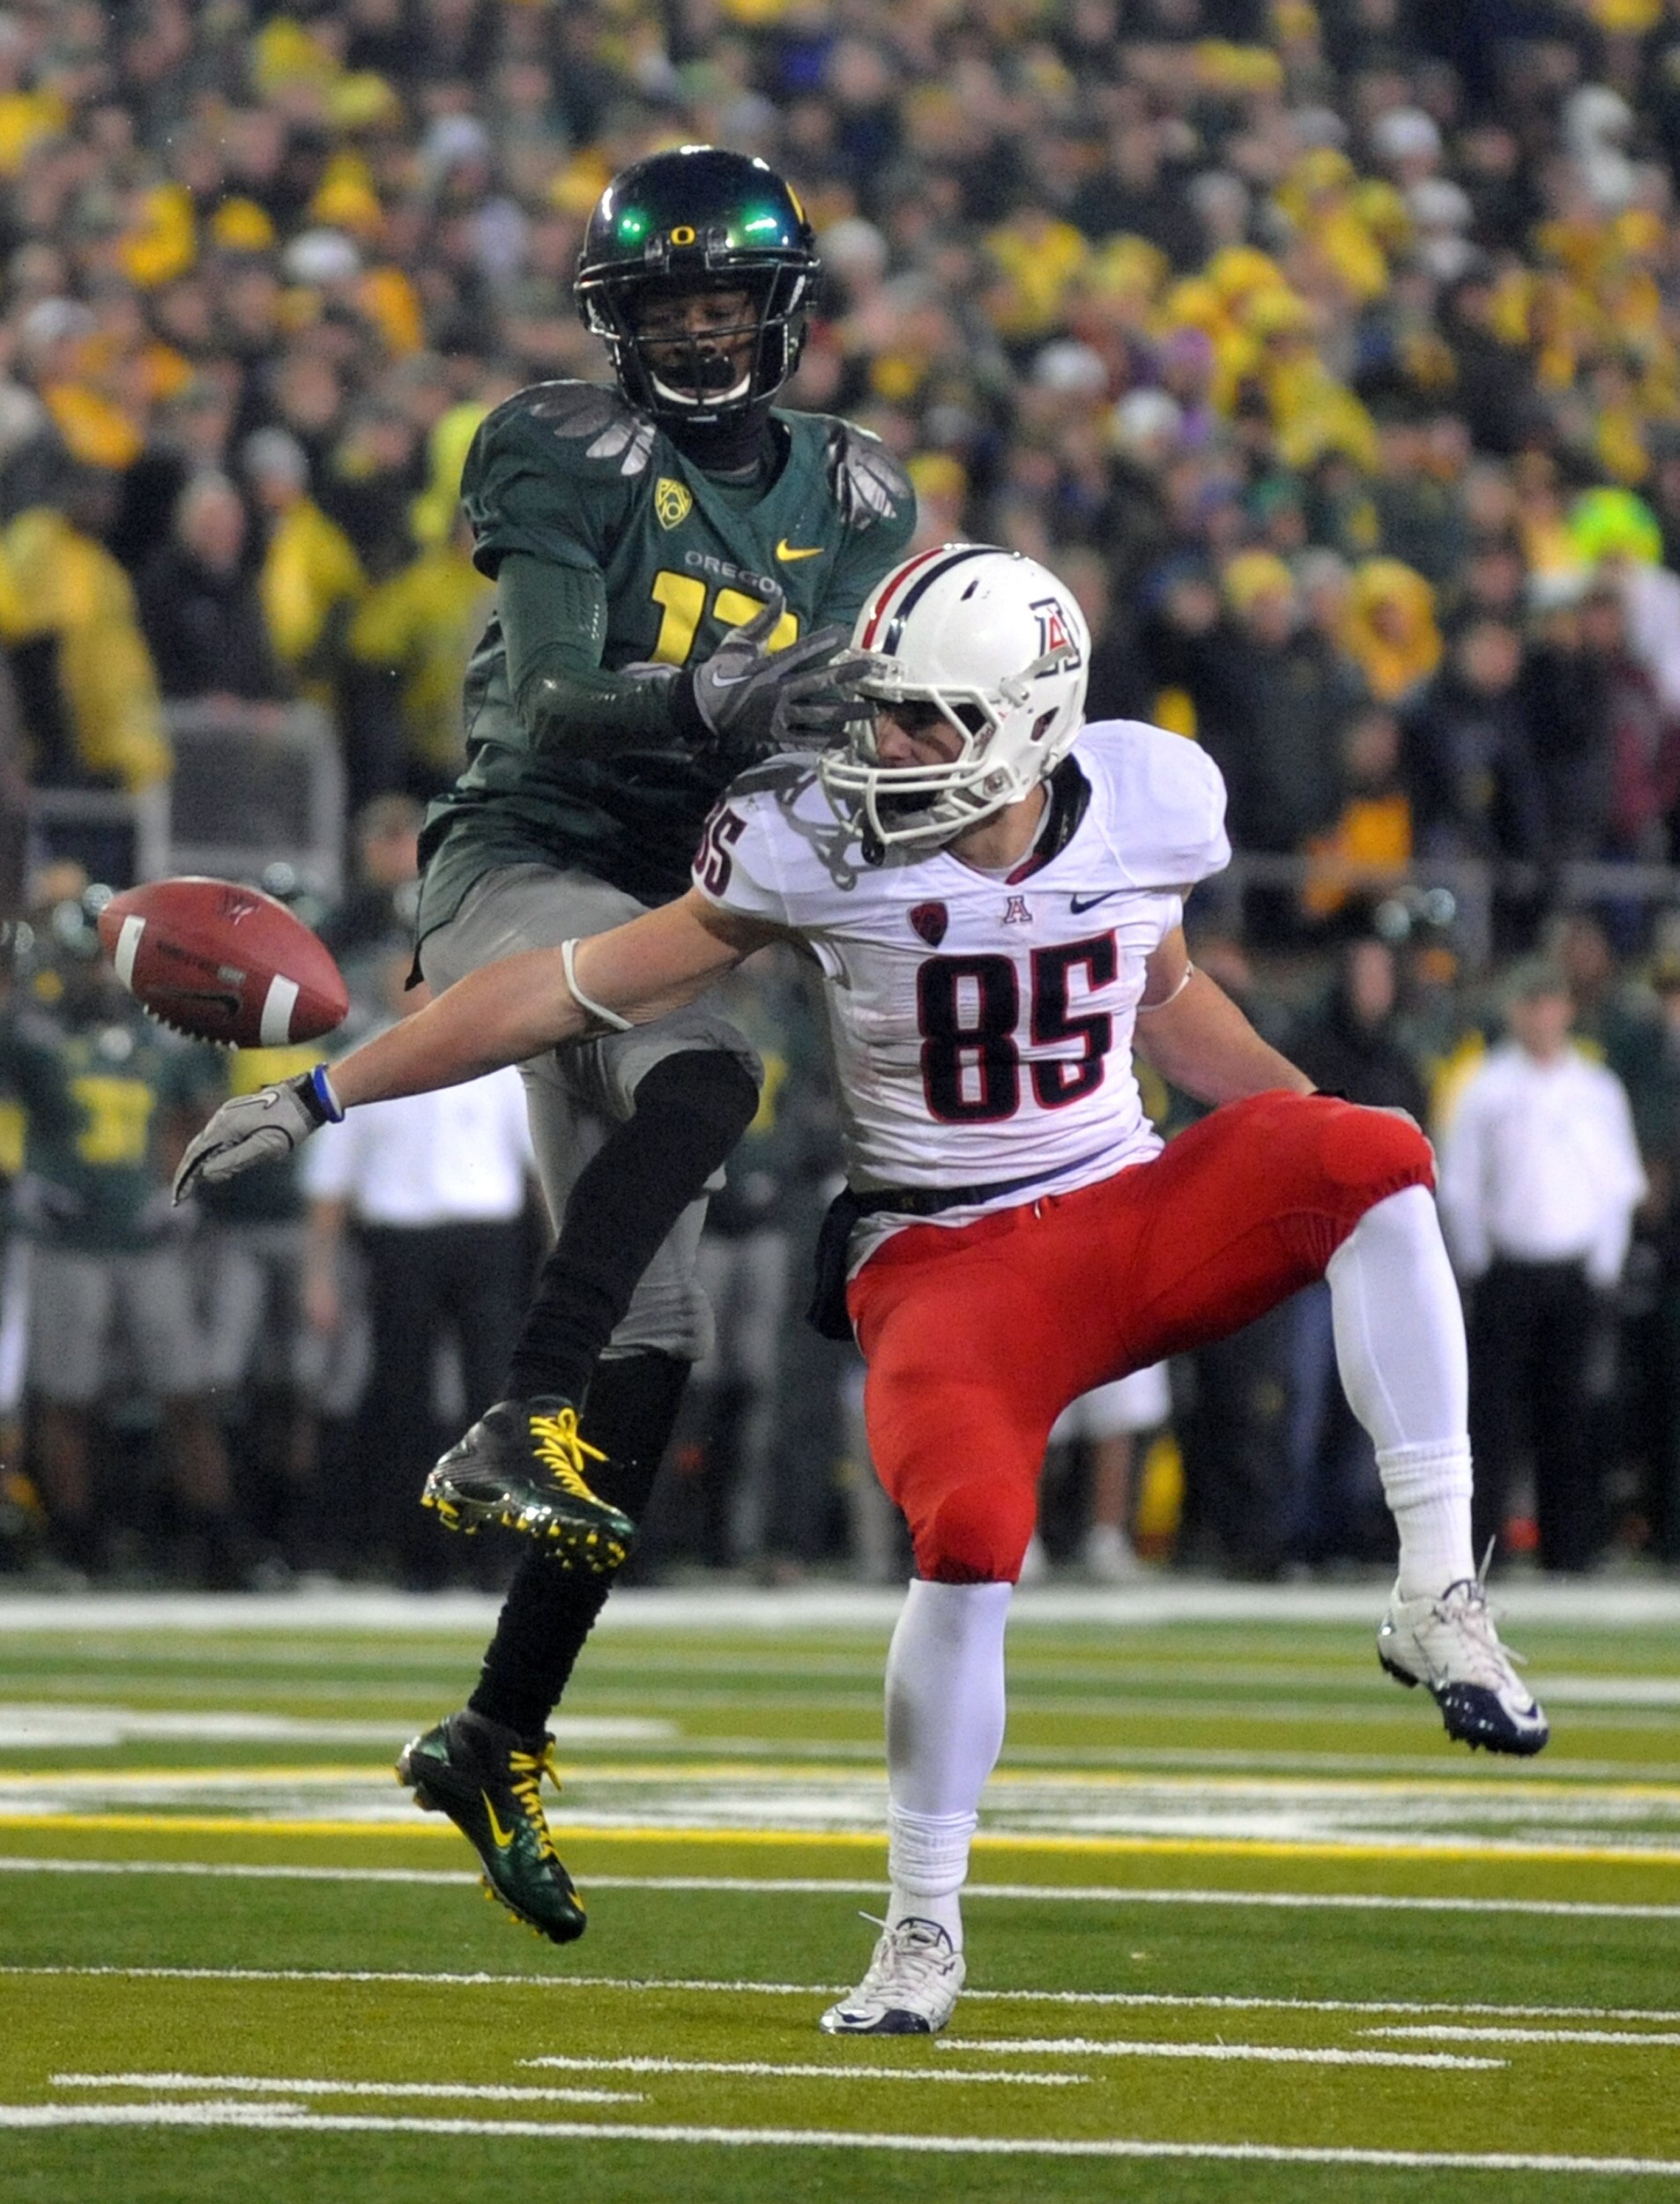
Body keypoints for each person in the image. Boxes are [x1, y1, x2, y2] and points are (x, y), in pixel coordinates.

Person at [177, 543, 1548, 2036]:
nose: (885, 748)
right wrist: (327, 1092)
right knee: (970, 1534)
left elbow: (1161, 996)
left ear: (1033, 721)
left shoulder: (1152, 798)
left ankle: (1437, 1589)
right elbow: (564, 988)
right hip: (946, 1259)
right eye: (882, 712)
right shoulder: (809, 840)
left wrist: (1303, 1168)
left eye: (924, 722)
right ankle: (920, 1928)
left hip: (1123, 1207)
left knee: (1375, 1152)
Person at [329, 147, 909, 1932]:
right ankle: (515, 1408)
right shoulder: (556, 446)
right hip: (527, 856)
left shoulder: (856, 494)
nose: (702, 328)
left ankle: (495, 1732)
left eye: (726, 299)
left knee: (668, 1341)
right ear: (614, 320)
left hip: (690, 891)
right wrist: (726, 692)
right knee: (706, 1067)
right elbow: (571, 696)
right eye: (667, 304)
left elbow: (845, 744)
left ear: (781, 308)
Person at [1436, 958, 1647, 1573]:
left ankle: (1570, 1548)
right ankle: (1486, 1550)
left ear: (1566, 1010)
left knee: (1571, 1414)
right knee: (1494, 1419)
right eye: (1530, 1004)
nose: (1541, 1016)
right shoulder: (1484, 1087)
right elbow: (1463, 1187)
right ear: (1514, 1011)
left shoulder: (1597, 1089)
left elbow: (1616, 1186)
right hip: (1508, 1271)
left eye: (1550, 1003)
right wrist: (1476, 1261)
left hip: (1574, 1273)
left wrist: (1603, 1264)